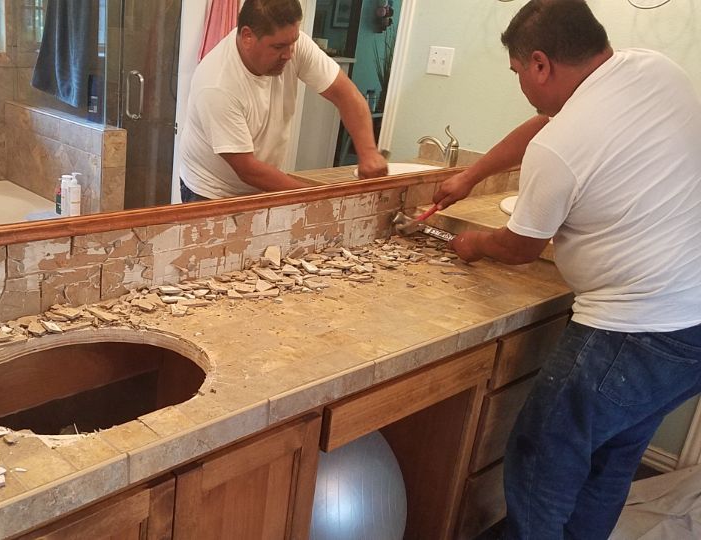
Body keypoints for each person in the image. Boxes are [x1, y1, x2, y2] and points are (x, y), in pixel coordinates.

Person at [435, 1, 701, 538]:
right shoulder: (653, 69)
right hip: (690, 323)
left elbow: (520, 246)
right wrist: (471, 174)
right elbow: (548, 122)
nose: (520, 84)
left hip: (633, 331)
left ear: (540, 63)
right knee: (612, 455)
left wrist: (473, 243)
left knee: (542, 457)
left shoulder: (560, 148)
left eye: (517, 71)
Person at [178, 0, 388, 202]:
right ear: (247, 36)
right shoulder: (216, 85)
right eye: (278, 47)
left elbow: (345, 94)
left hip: (258, 183)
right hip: (212, 189)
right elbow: (247, 169)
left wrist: (368, 152)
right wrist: (317, 197)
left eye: (293, 42)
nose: (288, 55)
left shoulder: (292, 45)